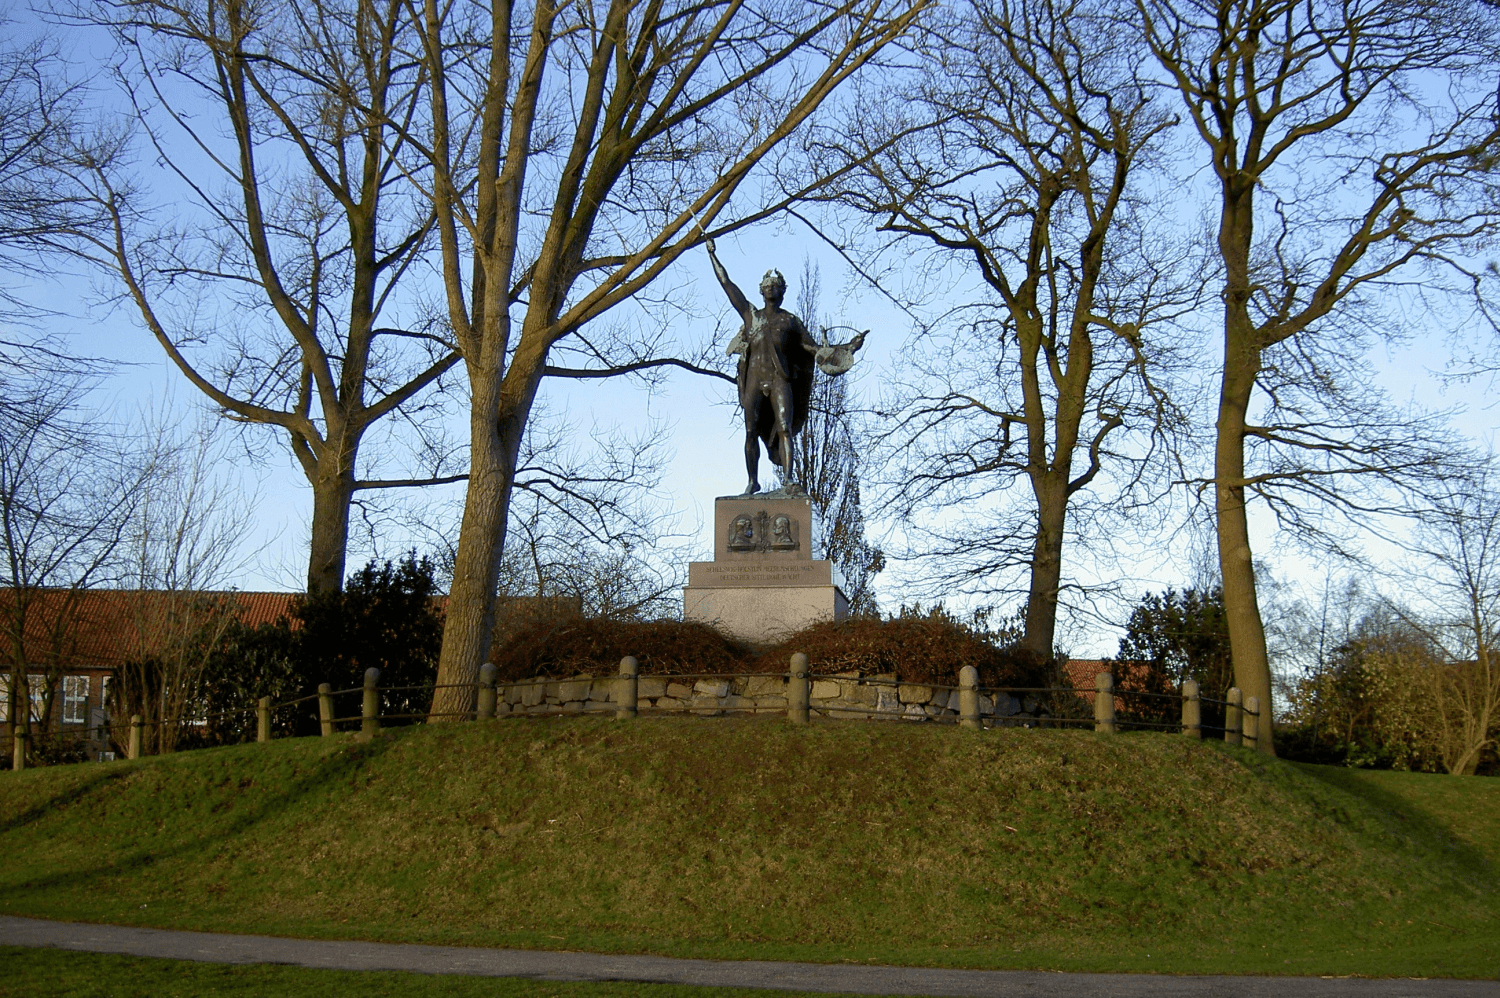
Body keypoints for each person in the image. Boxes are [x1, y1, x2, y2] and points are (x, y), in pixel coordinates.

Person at [705, 237, 866, 495]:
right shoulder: (751, 316)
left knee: (785, 429)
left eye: (775, 285)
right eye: (767, 285)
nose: (771, 288)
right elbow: (727, 284)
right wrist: (713, 254)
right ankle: (752, 481)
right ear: (761, 290)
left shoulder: (791, 321)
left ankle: (788, 479)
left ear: (782, 291)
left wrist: (848, 348)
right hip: (755, 381)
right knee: (749, 432)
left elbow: (816, 351)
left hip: (781, 379)